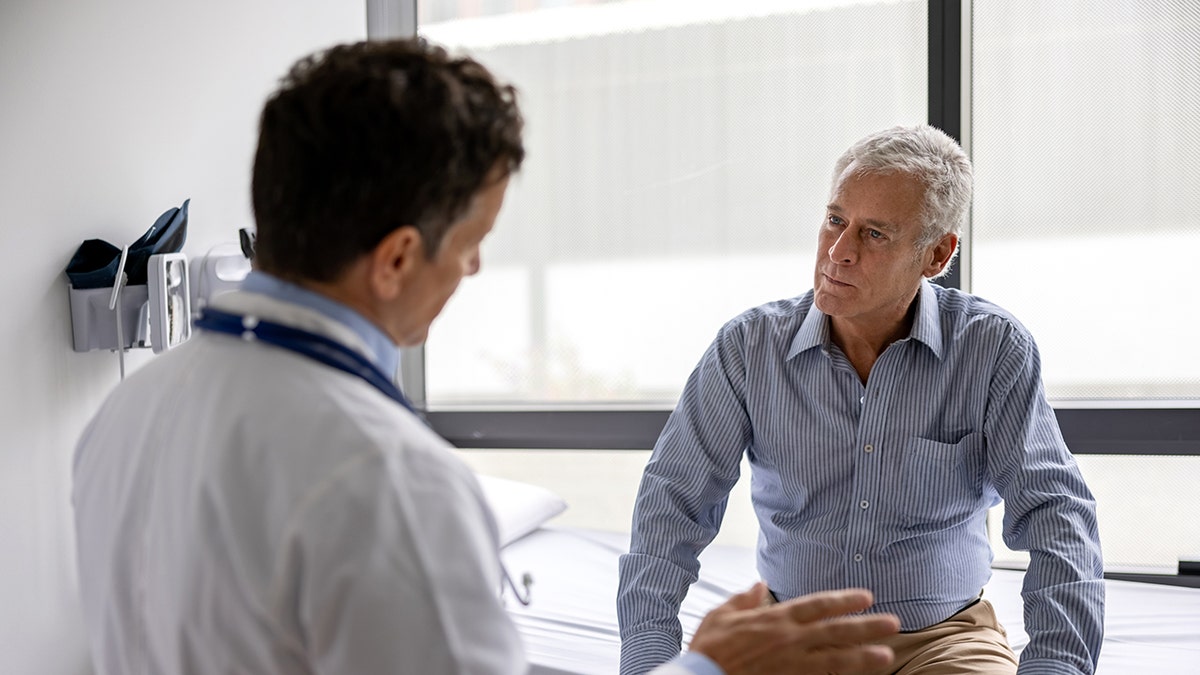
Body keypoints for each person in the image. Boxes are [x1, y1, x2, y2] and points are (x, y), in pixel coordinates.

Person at [72, 39, 901, 675]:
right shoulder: (388, 479)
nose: (472, 268)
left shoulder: (126, 413)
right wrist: (709, 665)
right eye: (473, 240)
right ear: (398, 258)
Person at [616, 125, 1105, 675]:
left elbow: (1055, 515)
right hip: (791, 639)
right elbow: (671, 506)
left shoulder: (992, 348)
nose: (839, 252)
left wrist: (1054, 668)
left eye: (874, 234)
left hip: (943, 640)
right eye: (835, 221)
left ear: (936, 254)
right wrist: (649, 662)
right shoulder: (748, 348)